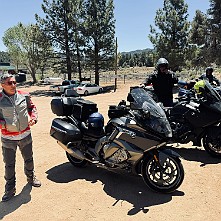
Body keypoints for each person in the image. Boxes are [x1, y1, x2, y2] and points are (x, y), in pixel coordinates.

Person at [0, 73, 41, 202]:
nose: (13, 85)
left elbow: (32, 108)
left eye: (14, 82)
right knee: (9, 165)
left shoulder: (24, 95)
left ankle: (31, 177)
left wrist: (34, 118)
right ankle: (10, 189)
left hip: (25, 135)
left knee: (29, 159)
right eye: (9, 83)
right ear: (2, 85)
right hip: (8, 138)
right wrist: (3, 124)